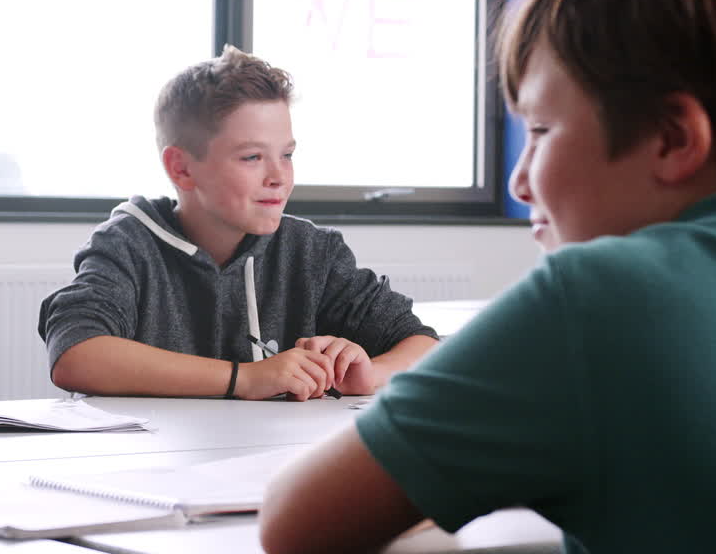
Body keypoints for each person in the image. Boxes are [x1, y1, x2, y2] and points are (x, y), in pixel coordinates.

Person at [259, 0, 716, 553]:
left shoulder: (598, 298)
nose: (518, 182)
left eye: (540, 130)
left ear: (673, 140)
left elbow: (297, 524)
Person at [38, 45, 437, 401]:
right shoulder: (128, 243)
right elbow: (75, 354)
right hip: (155, 468)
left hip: (266, 466)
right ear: (182, 168)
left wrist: (373, 374)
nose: (278, 177)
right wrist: (245, 378)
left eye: (287, 155)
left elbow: (426, 346)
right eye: (251, 157)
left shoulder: (312, 252)